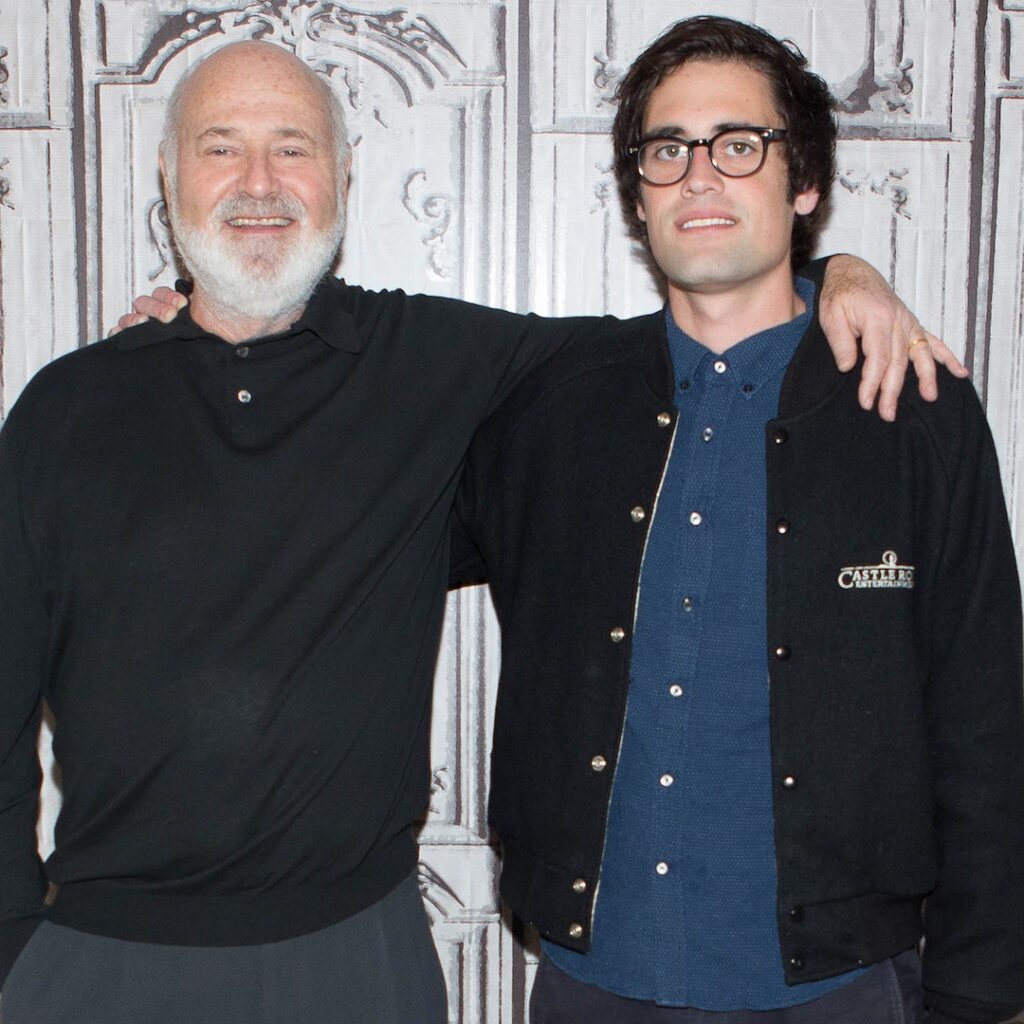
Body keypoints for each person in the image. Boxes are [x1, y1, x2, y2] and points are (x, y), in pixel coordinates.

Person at [0, 34, 960, 1024]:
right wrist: (14, 954)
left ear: (341, 176)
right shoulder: (69, 409)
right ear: (168, 176)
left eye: (291, 146)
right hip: (101, 954)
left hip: (357, 951)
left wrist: (839, 274)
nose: (258, 182)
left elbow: (713, 313)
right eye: (220, 147)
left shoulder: (437, 361)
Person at [452, 15, 1024, 1024]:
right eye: (667, 149)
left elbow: (983, 719)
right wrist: (208, 330)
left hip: (839, 988)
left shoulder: (914, 412)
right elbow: (366, 516)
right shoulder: (552, 407)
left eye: (739, 144)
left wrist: (979, 995)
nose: (700, 176)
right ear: (637, 192)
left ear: (804, 183)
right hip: (594, 982)